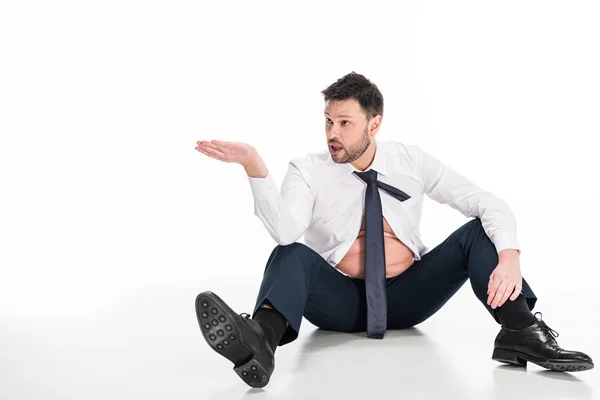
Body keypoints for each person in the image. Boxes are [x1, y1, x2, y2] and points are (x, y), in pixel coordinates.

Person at [194, 71, 594, 388]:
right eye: (328, 121)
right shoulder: (307, 170)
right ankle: (259, 342)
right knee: (290, 254)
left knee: (478, 232)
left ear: (374, 124)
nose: (333, 133)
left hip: (408, 296)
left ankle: (519, 331)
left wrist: (509, 256)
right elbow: (285, 232)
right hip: (339, 302)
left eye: (345, 122)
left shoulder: (410, 161)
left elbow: (486, 202)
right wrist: (255, 168)